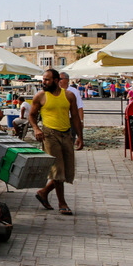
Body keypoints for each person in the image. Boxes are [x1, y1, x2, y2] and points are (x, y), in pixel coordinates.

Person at [30, 68, 84, 216]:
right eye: (43, 79)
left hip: (66, 134)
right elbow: (32, 115)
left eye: (47, 80)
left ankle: (43, 192)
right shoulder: (40, 96)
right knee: (58, 170)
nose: (44, 82)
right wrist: (36, 129)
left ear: (56, 80)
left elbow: (75, 117)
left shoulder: (69, 95)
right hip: (49, 135)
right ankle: (62, 203)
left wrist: (80, 136)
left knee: (67, 170)